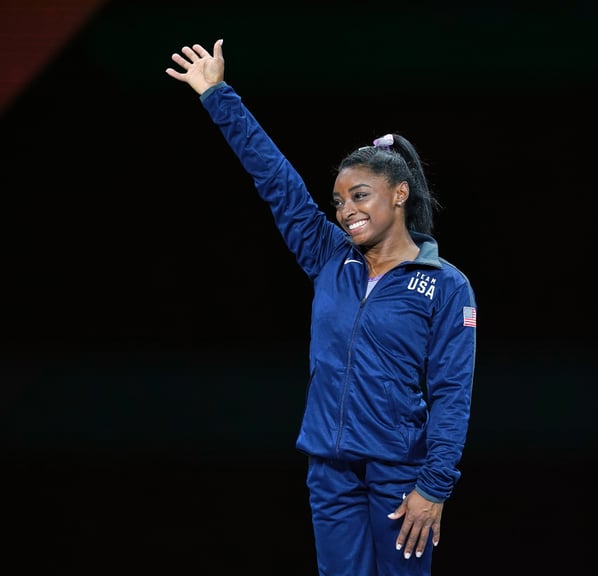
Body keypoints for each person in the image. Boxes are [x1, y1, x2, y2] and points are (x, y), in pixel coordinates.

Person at [166, 38, 477, 576]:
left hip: (400, 473)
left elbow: (453, 392)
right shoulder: (329, 256)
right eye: (337, 201)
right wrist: (218, 95)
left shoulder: (445, 286)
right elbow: (277, 181)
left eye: (360, 195)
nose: (345, 211)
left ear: (399, 194)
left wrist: (434, 485)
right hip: (330, 471)